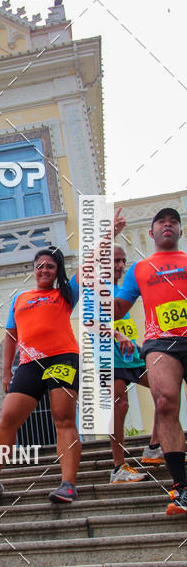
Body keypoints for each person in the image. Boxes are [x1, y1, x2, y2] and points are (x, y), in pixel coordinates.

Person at [0, 246, 82, 507]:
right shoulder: (20, 298)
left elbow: (89, 265)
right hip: (29, 363)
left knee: (63, 418)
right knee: (8, 419)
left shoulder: (65, 294)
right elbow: (11, 336)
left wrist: (108, 235)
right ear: (33, 269)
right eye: (40, 265)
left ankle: (67, 484)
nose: (44, 270)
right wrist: (5, 371)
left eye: (50, 266)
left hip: (62, 358)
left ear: (57, 271)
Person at [115, 206, 187, 515]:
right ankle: (182, 488)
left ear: (180, 231)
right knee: (166, 401)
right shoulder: (140, 269)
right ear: (151, 232)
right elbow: (118, 308)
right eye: (161, 222)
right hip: (160, 343)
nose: (167, 225)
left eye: (173, 222)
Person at [110, 244, 163, 482]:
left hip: (132, 354)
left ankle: (153, 446)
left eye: (122, 261)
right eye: (115, 261)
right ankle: (118, 467)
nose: (120, 266)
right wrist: (117, 335)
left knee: (165, 390)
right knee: (120, 406)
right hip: (109, 355)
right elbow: (90, 320)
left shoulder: (122, 290)